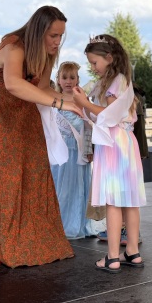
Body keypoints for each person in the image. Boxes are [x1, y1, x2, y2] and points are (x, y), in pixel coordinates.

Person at [0, 5, 80, 267]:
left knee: (35, 174)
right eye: (53, 35)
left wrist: (78, 103)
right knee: (7, 180)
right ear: (39, 31)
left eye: (61, 36)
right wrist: (61, 103)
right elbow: (13, 83)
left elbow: (43, 88)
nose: (58, 41)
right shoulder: (14, 46)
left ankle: (35, 241)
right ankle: (8, 245)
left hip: (25, 115)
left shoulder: (47, 53)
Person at [73, 34, 146, 273]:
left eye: (95, 62)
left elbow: (109, 114)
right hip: (124, 141)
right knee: (129, 200)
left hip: (113, 141)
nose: (93, 68)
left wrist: (84, 103)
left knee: (113, 200)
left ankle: (113, 256)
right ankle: (132, 251)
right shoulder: (118, 80)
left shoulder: (116, 81)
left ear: (109, 58)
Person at [50, 61, 94, 240]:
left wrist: (89, 148)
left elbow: (88, 125)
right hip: (60, 151)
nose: (68, 81)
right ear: (58, 79)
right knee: (60, 188)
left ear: (77, 79)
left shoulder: (81, 99)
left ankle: (78, 223)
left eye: (72, 77)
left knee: (78, 187)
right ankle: (58, 224)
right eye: (65, 77)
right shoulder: (53, 98)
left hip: (77, 150)